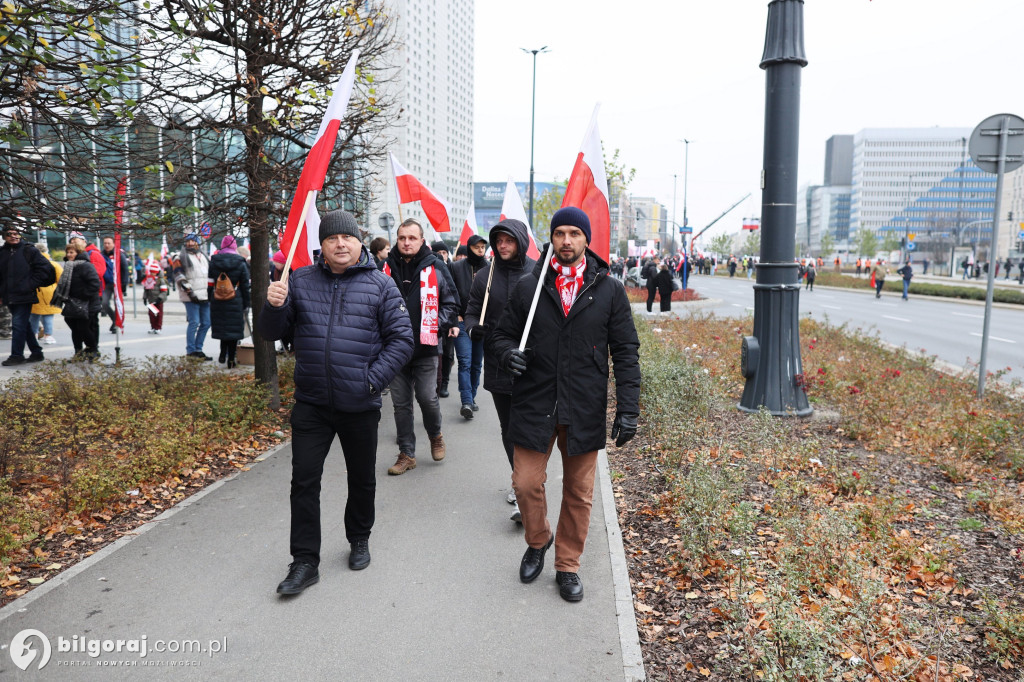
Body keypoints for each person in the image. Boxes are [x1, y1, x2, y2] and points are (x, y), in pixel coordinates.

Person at [258, 209, 414, 595]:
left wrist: (370, 381)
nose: (340, 244)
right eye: (332, 239)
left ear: (359, 242)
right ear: (322, 245)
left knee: (361, 479)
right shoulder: (300, 280)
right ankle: (304, 561)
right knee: (304, 482)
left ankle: (359, 537)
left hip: (359, 404)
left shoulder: (380, 285)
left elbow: (402, 340)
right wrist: (273, 306)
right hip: (312, 404)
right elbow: (271, 332)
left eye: (346, 238)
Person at [489, 207, 640, 602]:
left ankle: (567, 565)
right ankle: (538, 540)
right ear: (551, 239)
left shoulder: (609, 289)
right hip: (535, 401)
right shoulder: (530, 286)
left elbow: (625, 352)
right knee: (524, 482)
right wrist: (508, 355)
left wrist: (629, 408)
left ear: (587, 240)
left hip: (583, 405)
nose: (567, 240)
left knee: (578, 492)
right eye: (560, 233)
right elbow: (500, 335)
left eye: (575, 233)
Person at [465, 219, 536, 522]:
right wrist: (472, 330)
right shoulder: (485, 275)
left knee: (529, 429)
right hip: (497, 363)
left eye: (509, 241)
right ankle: (518, 479)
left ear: (520, 241)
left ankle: (527, 490)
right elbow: (470, 311)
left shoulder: (537, 272)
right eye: (499, 241)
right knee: (509, 430)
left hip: (532, 366)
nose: (503, 246)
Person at [383, 219, 459, 475]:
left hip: (425, 348)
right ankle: (407, 454)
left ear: (422, 240)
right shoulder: (385, 268)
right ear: (397, 239)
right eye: (402, 238)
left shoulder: (436, 266)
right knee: (401, 404)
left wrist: (434, 326)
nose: (406, 242)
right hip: (393, 349)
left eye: (412, 238)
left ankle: (435, 435)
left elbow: (451, 303)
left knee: (427, 398)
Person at [0, 225, 55, 365]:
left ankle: (17, 355)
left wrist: (30, 284)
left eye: (16, 233)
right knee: (25, 325)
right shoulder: (2, 252)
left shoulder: (29, 250)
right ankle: (36, 352)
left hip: (24, 295)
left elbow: (45, 269)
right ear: (4, 236)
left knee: (18, 324)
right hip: (9, 295)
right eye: (9, 234)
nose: (13, 236)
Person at [449, 234, 488, 419]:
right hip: (462, 321)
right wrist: (454, 315)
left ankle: (471, 398)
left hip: (482, 324)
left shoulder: (490, 268)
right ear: (469, 247)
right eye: (476, 247)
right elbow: (450, 292)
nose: (480, 251)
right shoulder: (456, 267)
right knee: (464, 361)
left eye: (483, 247)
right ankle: (466, 401)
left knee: (476, 364)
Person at [207, 235, 251, 368]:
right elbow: (244, 285)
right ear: (234, 246)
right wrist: (246, 303)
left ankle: (222, 353)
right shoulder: (241, 262)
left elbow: (210, 283)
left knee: (222, 328)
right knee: (233, 329)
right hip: (235, 298)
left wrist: (211, 298)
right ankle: (231, 359)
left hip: (218, 298)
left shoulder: (213, 262)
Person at [54, 242, 102, 361]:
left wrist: (82, 295)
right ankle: (79, 352)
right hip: (73, 303)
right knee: (75, 327)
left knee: (83, 328)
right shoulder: (70, 265)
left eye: (72, 252)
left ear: (78, 253)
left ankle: (93, 350)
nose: (69, 255)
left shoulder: (85, 266)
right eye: (68, 252)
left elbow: (95, 284)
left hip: (87, 304)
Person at [173, 233, 212, 360]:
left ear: (197, 242)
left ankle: (198, 349)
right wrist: (189, 292)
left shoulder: (204, 256)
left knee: (206, 323)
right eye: (188, 241)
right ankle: (190, 351)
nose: (190, 243)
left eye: (193, 241)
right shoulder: (179, 257)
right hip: (190, 296)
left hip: (205, 295)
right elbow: (179, 276)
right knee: (194, 322)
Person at [30, 242, 62, 345]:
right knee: (48, 315)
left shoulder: (30, 264)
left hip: (34, 292)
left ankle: (33, 335)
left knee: (34, 316)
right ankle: (48, 336)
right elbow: (61, 279)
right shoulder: (53, 264)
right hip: (50, 293)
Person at [100, 236, 130, 334]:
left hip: (118, 284)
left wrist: (124, 285)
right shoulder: (101, 254)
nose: (107, 245)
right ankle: (114, 320)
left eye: (109, 243)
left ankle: (117, 323)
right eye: (105, 243)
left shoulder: (119, 254)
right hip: (107, 284)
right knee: (104, 303)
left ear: (113, 244)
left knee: (117, 305)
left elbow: (125, 270)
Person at [142, 254, 168, 334]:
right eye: (151, 272)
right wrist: (144, 298)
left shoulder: (161, 280)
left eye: (154, 272)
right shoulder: (148, 279)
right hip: (151, 300)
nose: (152, 274)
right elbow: (146, 289)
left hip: (159, 300)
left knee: (159, 315)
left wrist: (160, 298)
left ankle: (158, 327)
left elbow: (164, 291)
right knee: (151, 314)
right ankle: (153, 327)